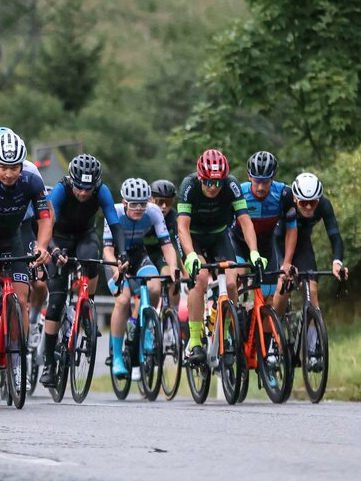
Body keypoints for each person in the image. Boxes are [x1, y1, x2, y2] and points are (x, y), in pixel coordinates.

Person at [37, 154, 123, 388]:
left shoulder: (102, 191)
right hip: (59, 237)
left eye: (89, 189)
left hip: (85, 235)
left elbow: (114, 223)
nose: (84, 193)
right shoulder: (61, 190)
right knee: (56, 300)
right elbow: (46, 225)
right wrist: (53, 250)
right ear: (71, 180)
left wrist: (122, 254)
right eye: (79, 188)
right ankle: (49, 364)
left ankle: (88, 307)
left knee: (91, 260)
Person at [0, 131, 53, 348]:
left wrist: (42, 246)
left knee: (21, 300)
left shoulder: (32, 181)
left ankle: (16, 364)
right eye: (3, 167)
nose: (8, 173)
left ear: (21, 166)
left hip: (12, 236)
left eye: (14, 167)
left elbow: (44, 218)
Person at [177, 148, 263, 364]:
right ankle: (195, 341)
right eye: (208, 182)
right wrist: (190, 256)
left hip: (218, 236)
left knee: (233, 283)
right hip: (193, 238)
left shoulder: (231, 185)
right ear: (200, 177)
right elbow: (182, 227)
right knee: (201, 279)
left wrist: (254, 252)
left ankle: (225, 332)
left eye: (218, 183)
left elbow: (245, 222)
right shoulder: (189, 186)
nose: (213, 187)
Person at [103, 178, 179, 381]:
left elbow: (167, 245)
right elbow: (108, 250)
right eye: (133, 204)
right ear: (124, 202)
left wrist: (172, 267)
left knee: (155, 286)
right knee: (123, 299)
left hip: (137, 254)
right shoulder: (115, 212)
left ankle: (147, 328)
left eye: (143, 204)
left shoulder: (153, 212)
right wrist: (115, 268)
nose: (138, 208)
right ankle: (118, 357)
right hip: (115, 258)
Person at [272, 172, 348, 342]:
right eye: (303, 203)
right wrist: (284, 265)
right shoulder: (284, 204)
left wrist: (337, 262)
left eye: (312, 202)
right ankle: (273, 334)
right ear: (295, 199)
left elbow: (335, 235)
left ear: (318, 200)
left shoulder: (324, 206)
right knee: (282, 286)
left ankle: (312, 346)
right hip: (279, 244)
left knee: (312, 290)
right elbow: (276, 238)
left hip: (303, 245)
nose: (308, 207)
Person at [235, 150, 286, 298]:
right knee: (237, 277)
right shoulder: (239, 192)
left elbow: (291, 227)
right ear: (249, 176)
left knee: (268, 297)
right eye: (257, 180)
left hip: (266, 244)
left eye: (266, 181)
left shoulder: (282, 193)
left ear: (273, 177)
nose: (261, 187)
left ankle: (257, 318)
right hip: (239, 242)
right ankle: (227, 314)